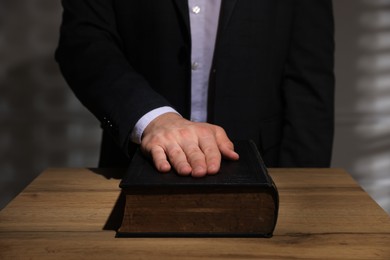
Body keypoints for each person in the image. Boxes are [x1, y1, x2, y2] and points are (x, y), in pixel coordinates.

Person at [55, 0, 335, 177]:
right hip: (134, 168)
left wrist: (302, 191)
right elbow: (84, 43)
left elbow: (309, 81)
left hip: (265, 171)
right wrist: (153, 118)